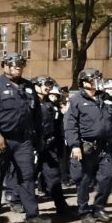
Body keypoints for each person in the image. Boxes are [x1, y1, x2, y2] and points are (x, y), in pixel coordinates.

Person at [0, 52, 50, 223]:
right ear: (5, 66)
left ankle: (32, 216)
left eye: (21, 65)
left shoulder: (28, 86)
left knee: (27, 177)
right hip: (1, 140)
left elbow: (36, 115)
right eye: (14, 64)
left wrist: (39, 137)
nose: (18, 67)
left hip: (23, 141)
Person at [64, 68, 112, 223]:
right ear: (84, 82)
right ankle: (84, 210)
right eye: (93, 79)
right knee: (84, 180)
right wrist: (74, 145)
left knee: (107, 177)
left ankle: (99, 207)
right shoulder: (76, 101)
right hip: (85, 147)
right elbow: (70, 125)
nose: (96, 82)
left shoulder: (106, 98)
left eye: (97, 79)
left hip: (104, 147)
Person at [32, 75, 71, 215]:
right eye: (45, 84)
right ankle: (27, 207)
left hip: (49, 146)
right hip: (33, 145)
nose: (48, 87)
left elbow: (55, 125)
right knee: (28, 177)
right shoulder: (30, 102)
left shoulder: (50, 104)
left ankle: (61, 206)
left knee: (54, 176)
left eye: (49, 84)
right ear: (36, 85)